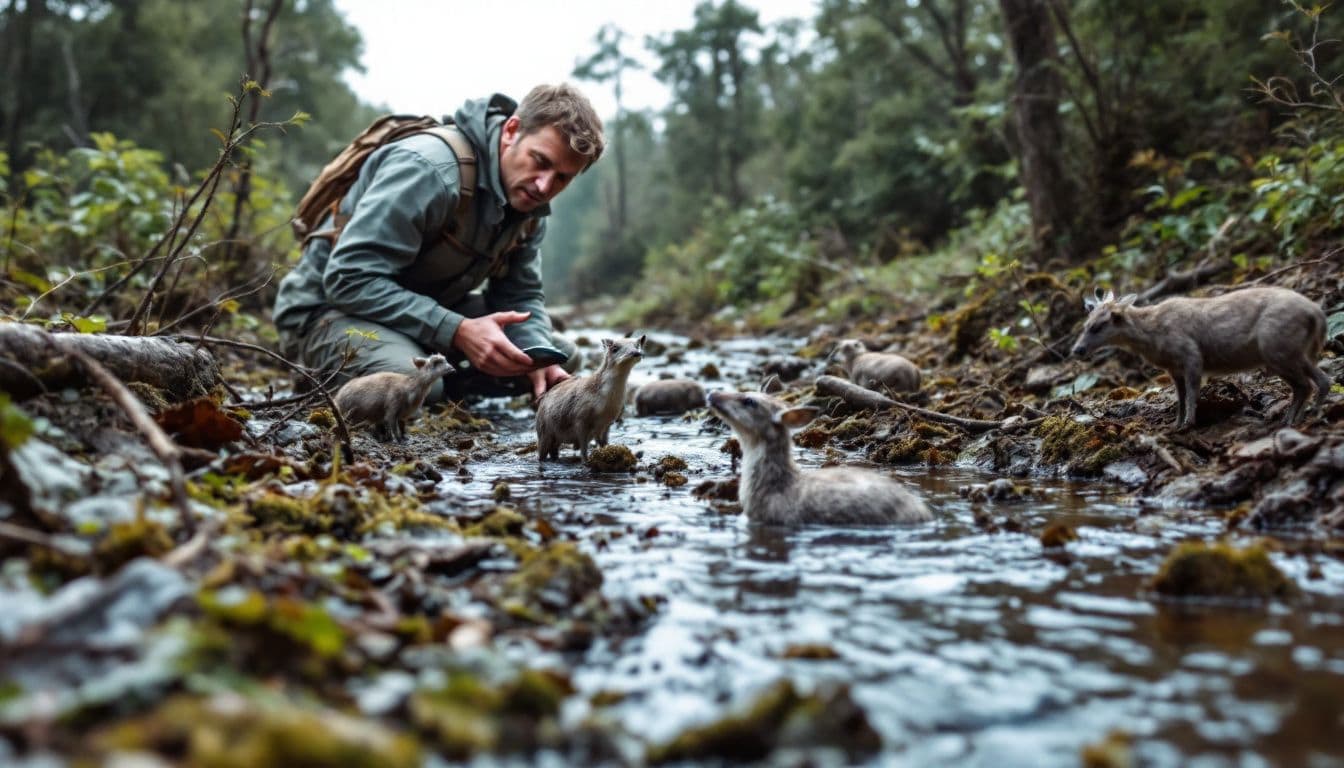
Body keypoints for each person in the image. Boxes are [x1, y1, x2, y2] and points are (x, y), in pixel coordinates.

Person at [273, 83, 605, 402]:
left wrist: (534, 351)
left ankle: (441, 382)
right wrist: (457, 330)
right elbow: (347, 279)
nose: (545, 186)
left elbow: (520, 295)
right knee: (412, 385)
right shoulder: (429, 169)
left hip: (416, 317)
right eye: (541, 161)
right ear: (511, 131)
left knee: (557, 357)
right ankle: (343, 374)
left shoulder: (529, 204)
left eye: (562, 177)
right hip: (326, 312)